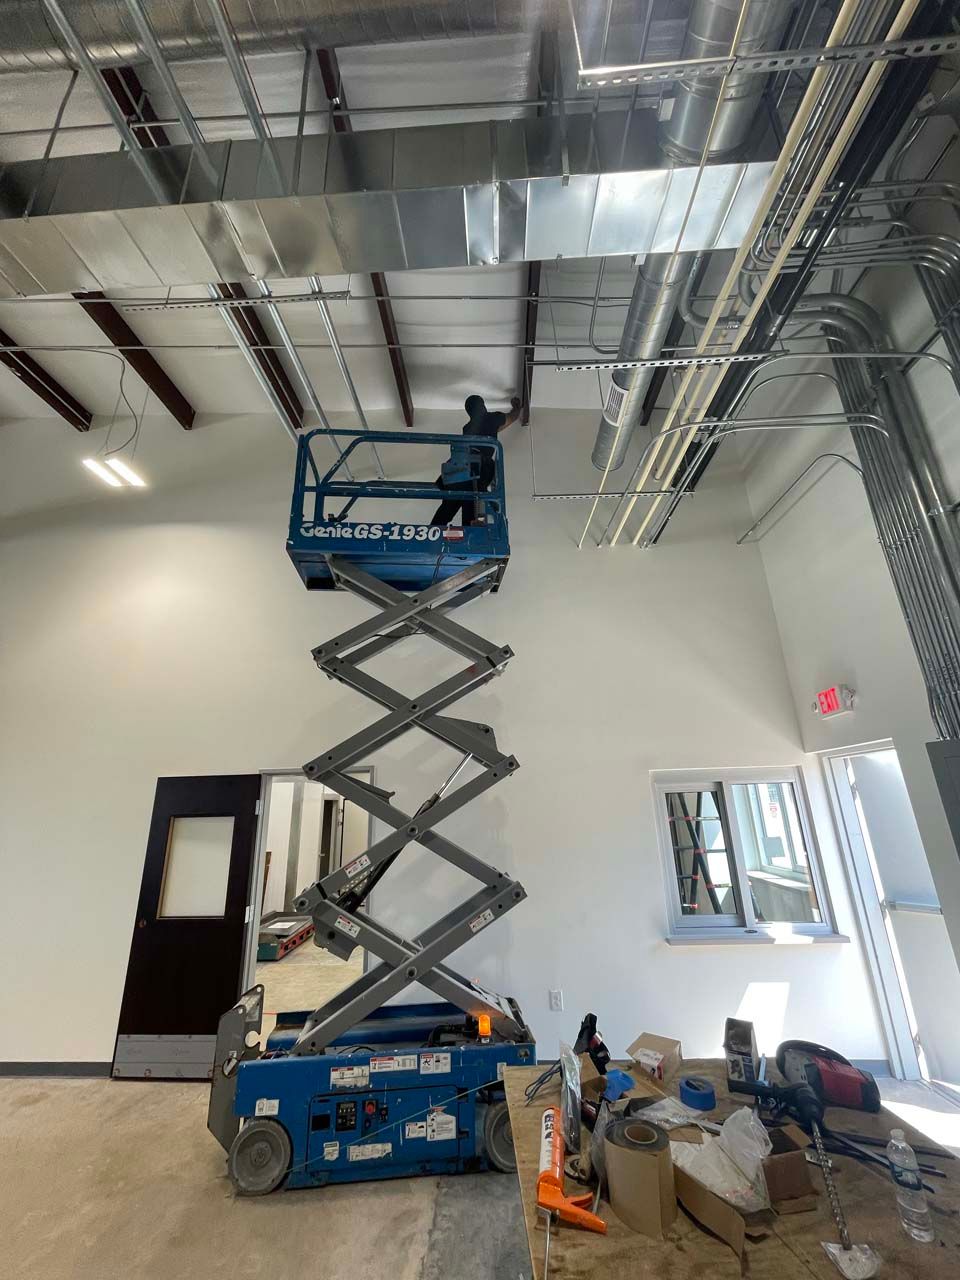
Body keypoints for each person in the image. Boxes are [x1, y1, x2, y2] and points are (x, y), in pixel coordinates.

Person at [431, 393, 522, 526]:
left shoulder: (467, 427)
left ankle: (434, 529)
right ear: (482, 405)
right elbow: (512, 417)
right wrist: (517, 407)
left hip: (459, 466)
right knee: (475, 497)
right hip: (478, 466)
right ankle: (473, 528)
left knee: (452, 501)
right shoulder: (492, 418)